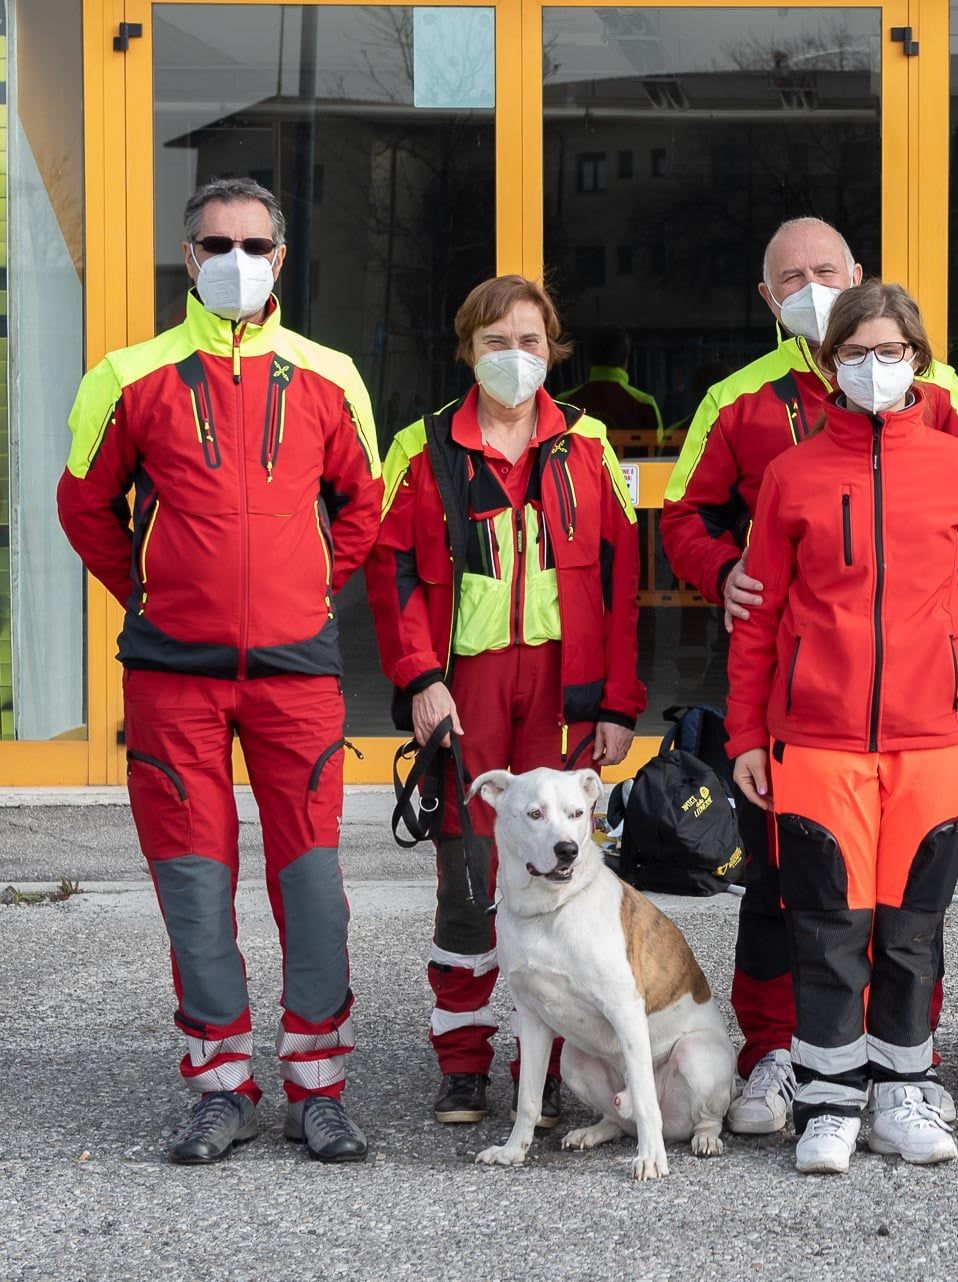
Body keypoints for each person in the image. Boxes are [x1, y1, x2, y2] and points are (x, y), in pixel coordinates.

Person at [661, 216, 958, 1134]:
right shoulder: (737, 400)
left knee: (907, 905)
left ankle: (905, 1066)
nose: (811, 287)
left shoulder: (941, 399)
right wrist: (724, 573)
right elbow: (683, 517)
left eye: (825, 269)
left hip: (919, 710)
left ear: (857, 272)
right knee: (785, 889)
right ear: (768, 298)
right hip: (802, 698)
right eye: (790, 277)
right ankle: (777, 1054)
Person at [56, 177, 380, 1164]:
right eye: (215, 244)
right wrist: (153, 594)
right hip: (173, 677)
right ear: (188, 257)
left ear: (280, 258)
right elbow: (83, 505)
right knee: (195, 887)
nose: (235, 260)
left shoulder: (330, 376)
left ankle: (318, 1089)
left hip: (296, 674)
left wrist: (308, 591)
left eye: (253, 244)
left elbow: (363, 506)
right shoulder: (128, 375)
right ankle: (219, 1087)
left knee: (313, 885)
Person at [365, 275, 643, 1129]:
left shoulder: (589, 446)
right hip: (468, 689)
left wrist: (618, 703)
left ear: (551, 350)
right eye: (495, 342)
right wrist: (421, 678)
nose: (513, 357)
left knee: (565, 876)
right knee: (469, 873)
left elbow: (622, 581)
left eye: (529, 341)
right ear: (468, 350)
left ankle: (544, 1069)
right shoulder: (420, 449)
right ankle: (462, 1062)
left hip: (564, 687)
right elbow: (390, 573)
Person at [561, 327, 667, 452]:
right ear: (626, 358)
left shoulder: (564, 402)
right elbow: (659, 450)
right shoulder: (644, 403)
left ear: (589, 358)